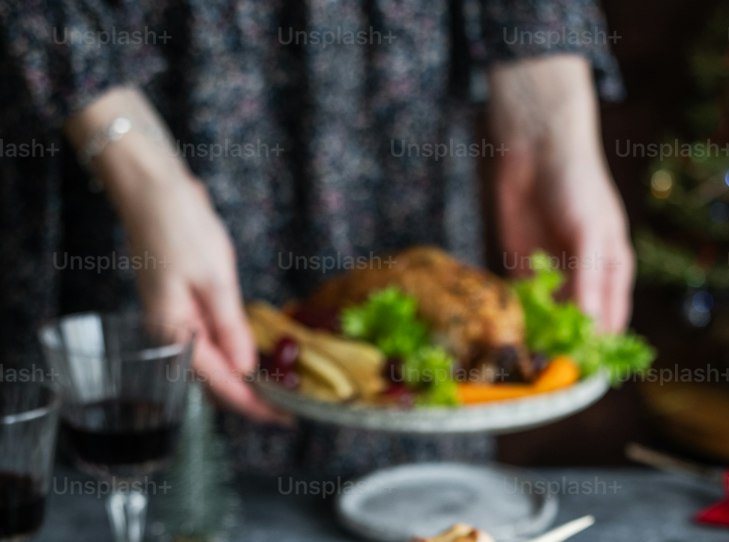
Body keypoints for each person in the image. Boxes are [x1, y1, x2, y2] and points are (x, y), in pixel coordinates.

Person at [1, 2, 634, 472]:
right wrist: (132, 161)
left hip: (394, 94)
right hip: (138, 99)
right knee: (145, 469)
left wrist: (549, 118)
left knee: (415, 521)